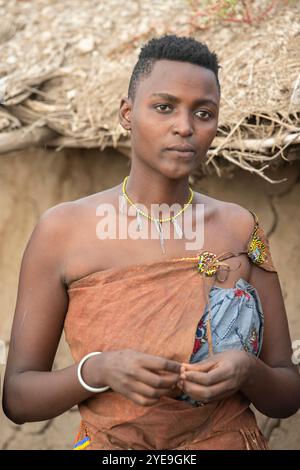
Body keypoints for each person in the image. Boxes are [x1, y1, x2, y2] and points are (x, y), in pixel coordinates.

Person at [2, 34, 300, 451]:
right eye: (164, 107)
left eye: (203, 112)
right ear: (127, 113)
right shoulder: (63, 230)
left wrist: (248, 371)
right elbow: (17, 398)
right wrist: (99, 370)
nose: (184, 126)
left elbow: (287, 392)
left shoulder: (240, 229)